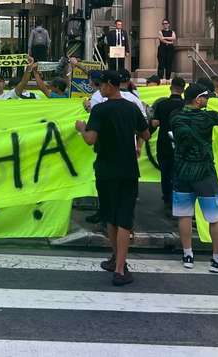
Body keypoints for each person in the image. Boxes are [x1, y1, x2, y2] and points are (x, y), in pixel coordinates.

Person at [75, 71, 150, 286]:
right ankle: (119, 268)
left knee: (110, 215)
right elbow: (145, 135)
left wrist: (81, 128)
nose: (99, 89)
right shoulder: (132, 107)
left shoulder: (100, 109)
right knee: (125, 216)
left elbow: (90, 139)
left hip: (106, 168)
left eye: (100, 85)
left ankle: (116, 260)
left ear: (110, 85)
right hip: (128, 168)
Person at [171, 83, 218, 273]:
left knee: (184, 215)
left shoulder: (175, 117)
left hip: (181, 172)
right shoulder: (207, 117)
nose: (207, 100)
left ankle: (188, 255)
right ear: (198, 100)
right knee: (215, 218)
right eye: (205, 97)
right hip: (204, 173)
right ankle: (217, 259)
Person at [150, 77, 186, 212]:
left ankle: (167, 199)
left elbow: (155, 123)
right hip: (182, 144)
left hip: (164, 142)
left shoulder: (162, 104)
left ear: (171, 87)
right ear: (183, 89)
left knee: (165, 172)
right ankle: (179, 200)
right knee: (180, 173)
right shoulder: (186, 106)